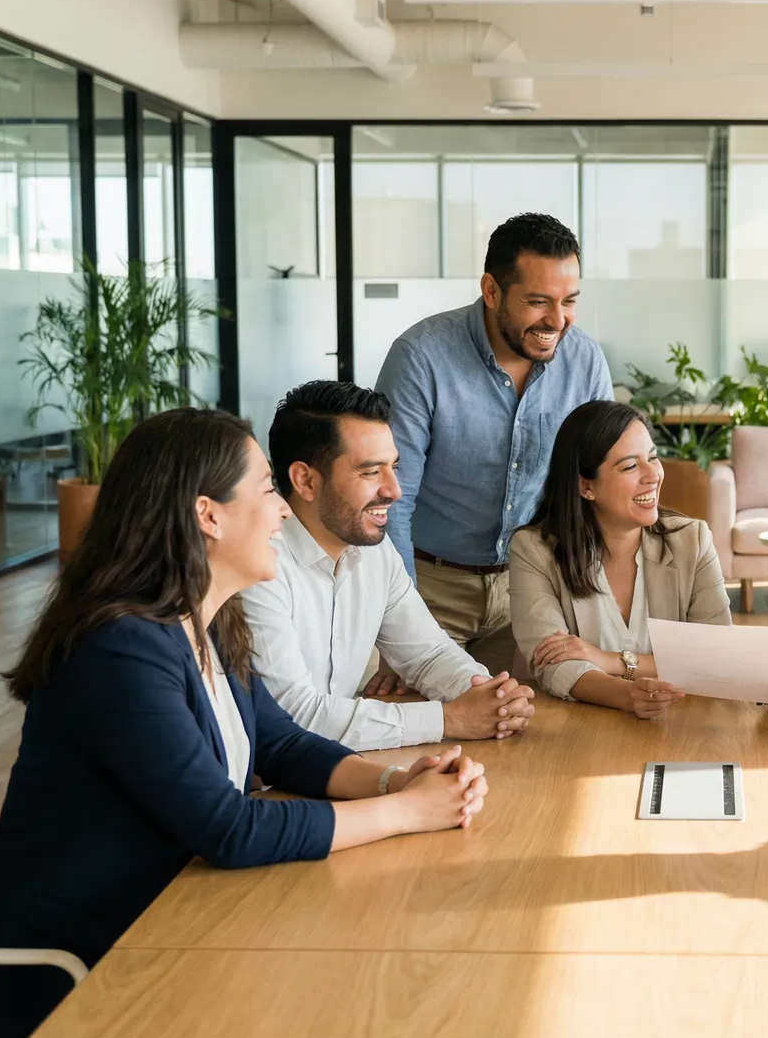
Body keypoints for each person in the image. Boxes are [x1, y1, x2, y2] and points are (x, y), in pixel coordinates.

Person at [0, 409, 489, 1038]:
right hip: (72, 973)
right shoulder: (120, 648)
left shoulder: (207, 620)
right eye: (266, 489)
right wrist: (404, 813)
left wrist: (395, 779)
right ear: (209, 515)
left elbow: (281, 745)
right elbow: (227, 828)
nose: (284, 511)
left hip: (162, 919)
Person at [376, 212, 614, 677]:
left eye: (569, 301)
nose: (557, 320)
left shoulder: (585, 362)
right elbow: (391, 500)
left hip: (533, 584)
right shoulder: (420, 358)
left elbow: (602, 486)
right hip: (430, 588)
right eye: (538, 302)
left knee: (530, 729)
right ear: (491, 290)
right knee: (436, 731)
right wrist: (399, 621)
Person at [242, 381, 537, 751]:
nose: (394, 490)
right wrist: (451, 719)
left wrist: (492, 696)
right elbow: (294, 715)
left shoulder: (375, 550)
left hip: (329, 768)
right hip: (262, 782)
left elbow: (427, 654)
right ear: (305, 480)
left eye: (393, 467)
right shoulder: (257, 562)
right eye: (370, 472)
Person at [509, 400, 732, 717]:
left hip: (685, 720)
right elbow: (553, 664)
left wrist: (609, 660)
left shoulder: (692, 540)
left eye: (653, 458)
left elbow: (719, 655)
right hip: (581, 727)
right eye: (630, 466)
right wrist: (630, 695)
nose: (652, 475)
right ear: (586, 486)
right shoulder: (534, 549)